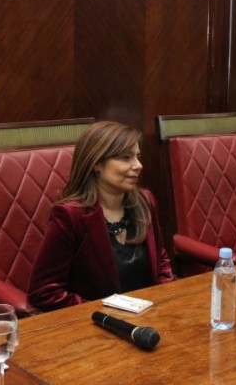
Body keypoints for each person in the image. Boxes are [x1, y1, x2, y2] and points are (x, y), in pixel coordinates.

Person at [28, 121, 174, 311]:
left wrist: (166, 301)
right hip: (96, 326)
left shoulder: (145, 201)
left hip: (152, 316)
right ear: (96, 162)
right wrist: (104, 312)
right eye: (126, 157)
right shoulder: (70, 215)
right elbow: (44, 292)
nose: (138, 165)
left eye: (137, 157)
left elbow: (161, 262)